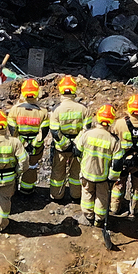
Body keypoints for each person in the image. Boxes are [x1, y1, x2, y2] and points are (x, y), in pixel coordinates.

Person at [74, 104, 120, 229]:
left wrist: (83, 164)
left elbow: (77, 151)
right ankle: (99, 220)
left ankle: (88, 217)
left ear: (98, 118)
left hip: (87, 173)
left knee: (87, 194)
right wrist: (112, 178)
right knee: (102, 197)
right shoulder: (114, 141)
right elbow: (117, 163)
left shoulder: (87, 134)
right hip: (103, 177)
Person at [110, 94, 138, 217]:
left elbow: (113, 140)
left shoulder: (119, 123)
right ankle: (135, 209)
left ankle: (115, 208)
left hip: (122, 162)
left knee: (118, 185)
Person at [6, 78, 49, 195]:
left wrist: (22, 144)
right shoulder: (43, 112)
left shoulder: (14, 110)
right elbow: (43, 132)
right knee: (32, 166)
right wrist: (33, 145)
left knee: (14, 164)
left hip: (18, 144)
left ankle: (11, 190)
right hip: (35, 146)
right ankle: (27, 189)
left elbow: (13, 131)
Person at [48, 75, 87, 203]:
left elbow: (54, 131)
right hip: (78, 148)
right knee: (76, 173)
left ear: (61, 90)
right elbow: (86, 129)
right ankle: (76, 195)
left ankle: (57, 195)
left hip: (61, 148)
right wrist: (76, 144)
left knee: (58, 172)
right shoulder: (83, 109)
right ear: (74, 90)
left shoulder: (56, 110)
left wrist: (65, 144)